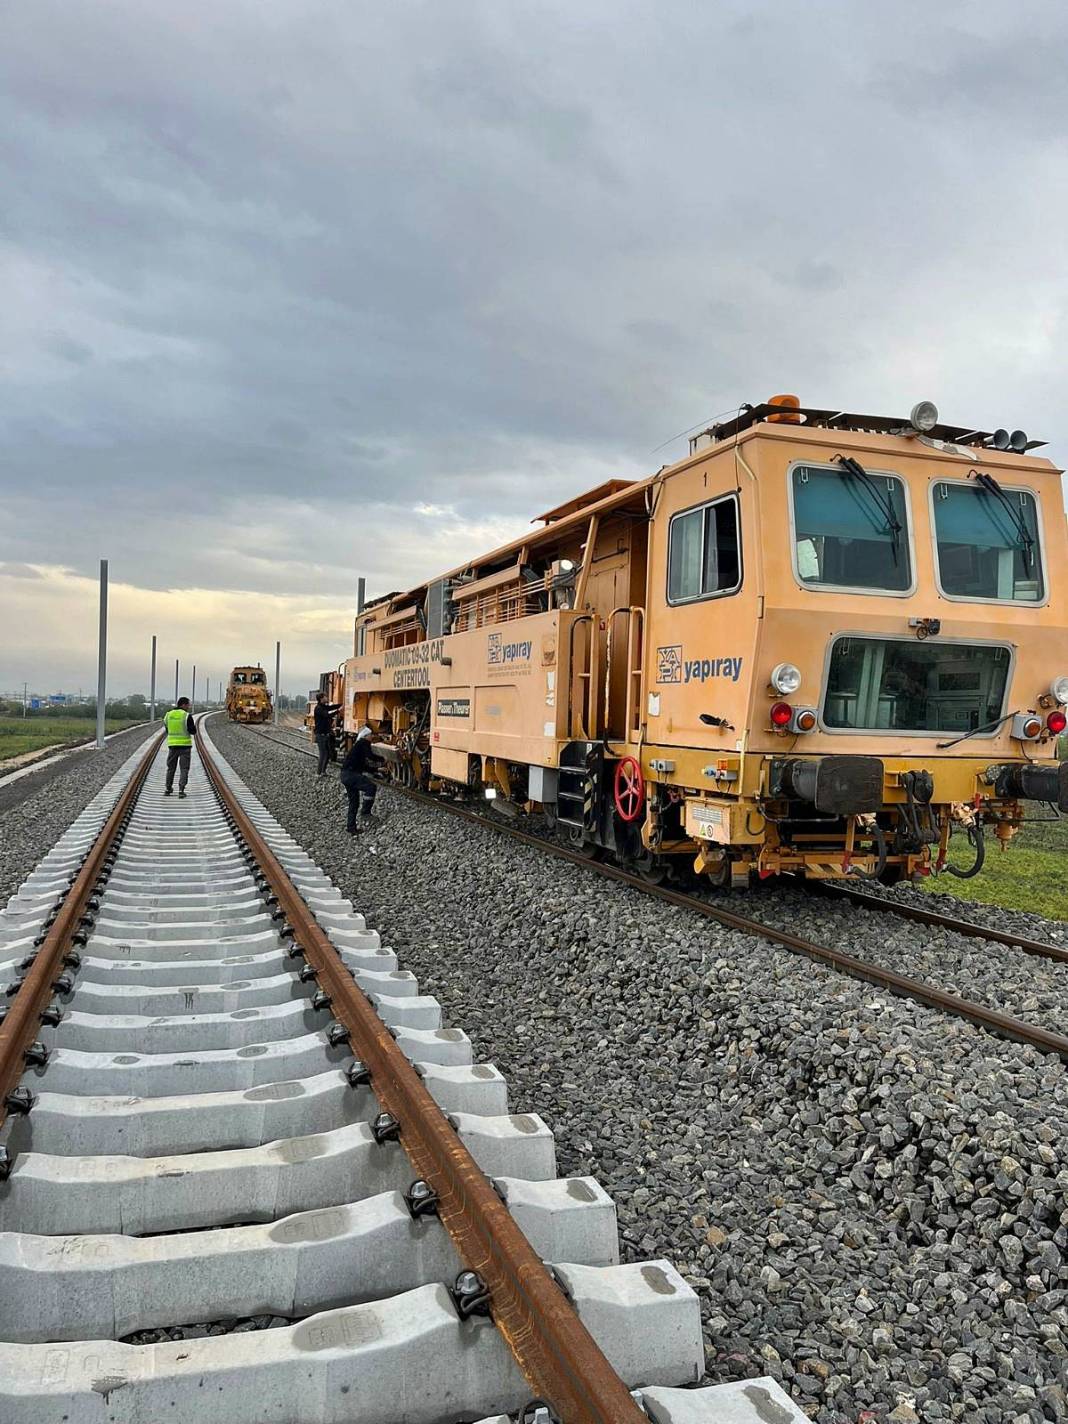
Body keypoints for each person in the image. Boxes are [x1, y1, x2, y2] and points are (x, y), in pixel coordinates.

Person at [340, 726, 379, 832]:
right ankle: (366, 813)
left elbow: (364, 766)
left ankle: (351, 827)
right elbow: (370, 756)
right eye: (371, 735)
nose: (372, 737)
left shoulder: (357, 747)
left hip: (345, 775)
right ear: (366, 736)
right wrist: (382, 759)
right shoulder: (363, 743)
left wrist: (377, 770)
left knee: (354, 802)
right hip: (351, 774)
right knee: (371, 787)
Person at [163, 697, 196, 798]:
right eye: (188, 705)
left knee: (170, 768)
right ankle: (181, 790)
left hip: (172, 746)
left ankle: (168, 789)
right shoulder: (186, 716)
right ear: (183, 705)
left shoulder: (168, 715)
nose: (189, 707)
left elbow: (167, 729)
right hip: (185, 746)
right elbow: (193, 731)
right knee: (184, 768)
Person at [313, 691, 342, 777]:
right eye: (325, 697)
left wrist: (341, 705)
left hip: (325, 734)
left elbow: (330, 708)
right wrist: (338, 711)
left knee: (327, 753)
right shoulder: (318, 708)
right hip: (320, 734)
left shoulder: (323, 706)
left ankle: (323, 771)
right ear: (321, 699)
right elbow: (327, 715)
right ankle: (318, 773)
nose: (327, 698)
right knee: (323, 753)